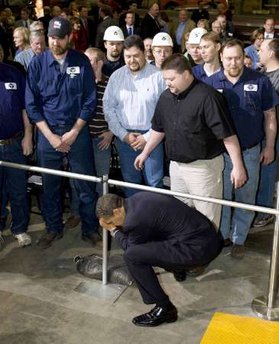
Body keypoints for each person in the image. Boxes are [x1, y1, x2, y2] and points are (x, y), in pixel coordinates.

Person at [135, 54, 246, 229]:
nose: (168, 83)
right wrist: (145, 152)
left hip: (203, 169)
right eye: (165, 79)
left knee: (207, 218)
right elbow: (158, 129)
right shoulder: (165, 97)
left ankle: (206, 253)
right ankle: (185, 251)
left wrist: (238, 166)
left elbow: (227, 135)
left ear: (187, 74)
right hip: (176, 168)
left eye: (172, 79)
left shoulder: (208, 97)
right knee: (180, 216)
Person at [25, 16, 100, 249]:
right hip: (49, 135)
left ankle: (90, 229)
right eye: (51, 38)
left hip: (77, 133)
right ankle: (53, 228)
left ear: (69, 38)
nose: (55, 42)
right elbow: (31, 104)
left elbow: (89, 99)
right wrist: (50, 137)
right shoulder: (37, 65)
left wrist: (75, 131)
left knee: (86, 184)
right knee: (50, 185)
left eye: (59, 38)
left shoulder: (81, 61)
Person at [96, 192, 224, 327]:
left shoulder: (135, 219)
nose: (112, 224)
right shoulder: (137, 199)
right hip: (205, 236)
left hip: (198, 248)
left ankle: (165, 308)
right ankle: (177, 266)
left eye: (110, 221)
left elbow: (131, 248)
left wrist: (113, 230)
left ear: (116, 212)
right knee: (147, 242)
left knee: (133, 257)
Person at [207, 39, 278, 258]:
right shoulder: (211, 84)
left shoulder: (260, 81)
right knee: (223, 197)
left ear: (245, 57)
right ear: (221, 58)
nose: (233, 62)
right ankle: (225, 235)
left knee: (246, 195)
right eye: (229, 58)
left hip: (251, 151)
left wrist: (270, 146)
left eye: (238, 57)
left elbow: (270, 117)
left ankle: (239, 238)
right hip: (220, 155)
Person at [103, 35, 166, 197]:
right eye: (128, 56)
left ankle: (155, 222)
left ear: (145, 53)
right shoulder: (116, 77)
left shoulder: (158, 76)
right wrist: (124, 135)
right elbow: (108, 108)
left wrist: (147, 137)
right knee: (130, 184)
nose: (132, 60)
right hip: (126, 140)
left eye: (136, 56)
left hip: (152, 137)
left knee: (155, 183)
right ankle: (135, 221)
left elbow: (166, 112)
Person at [0, 60, 33, 249]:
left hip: (14, 144)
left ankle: (19, 229)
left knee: (18, 190)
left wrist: (28, 135)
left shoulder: (14, 74)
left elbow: (24, 108)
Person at [254, 38, 279, 227]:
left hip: (272, 133)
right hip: (257, 131)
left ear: (271, 53)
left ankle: (265, 210)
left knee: (268, 171)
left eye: (261, 49)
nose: (258, 52)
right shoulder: (260, 73)